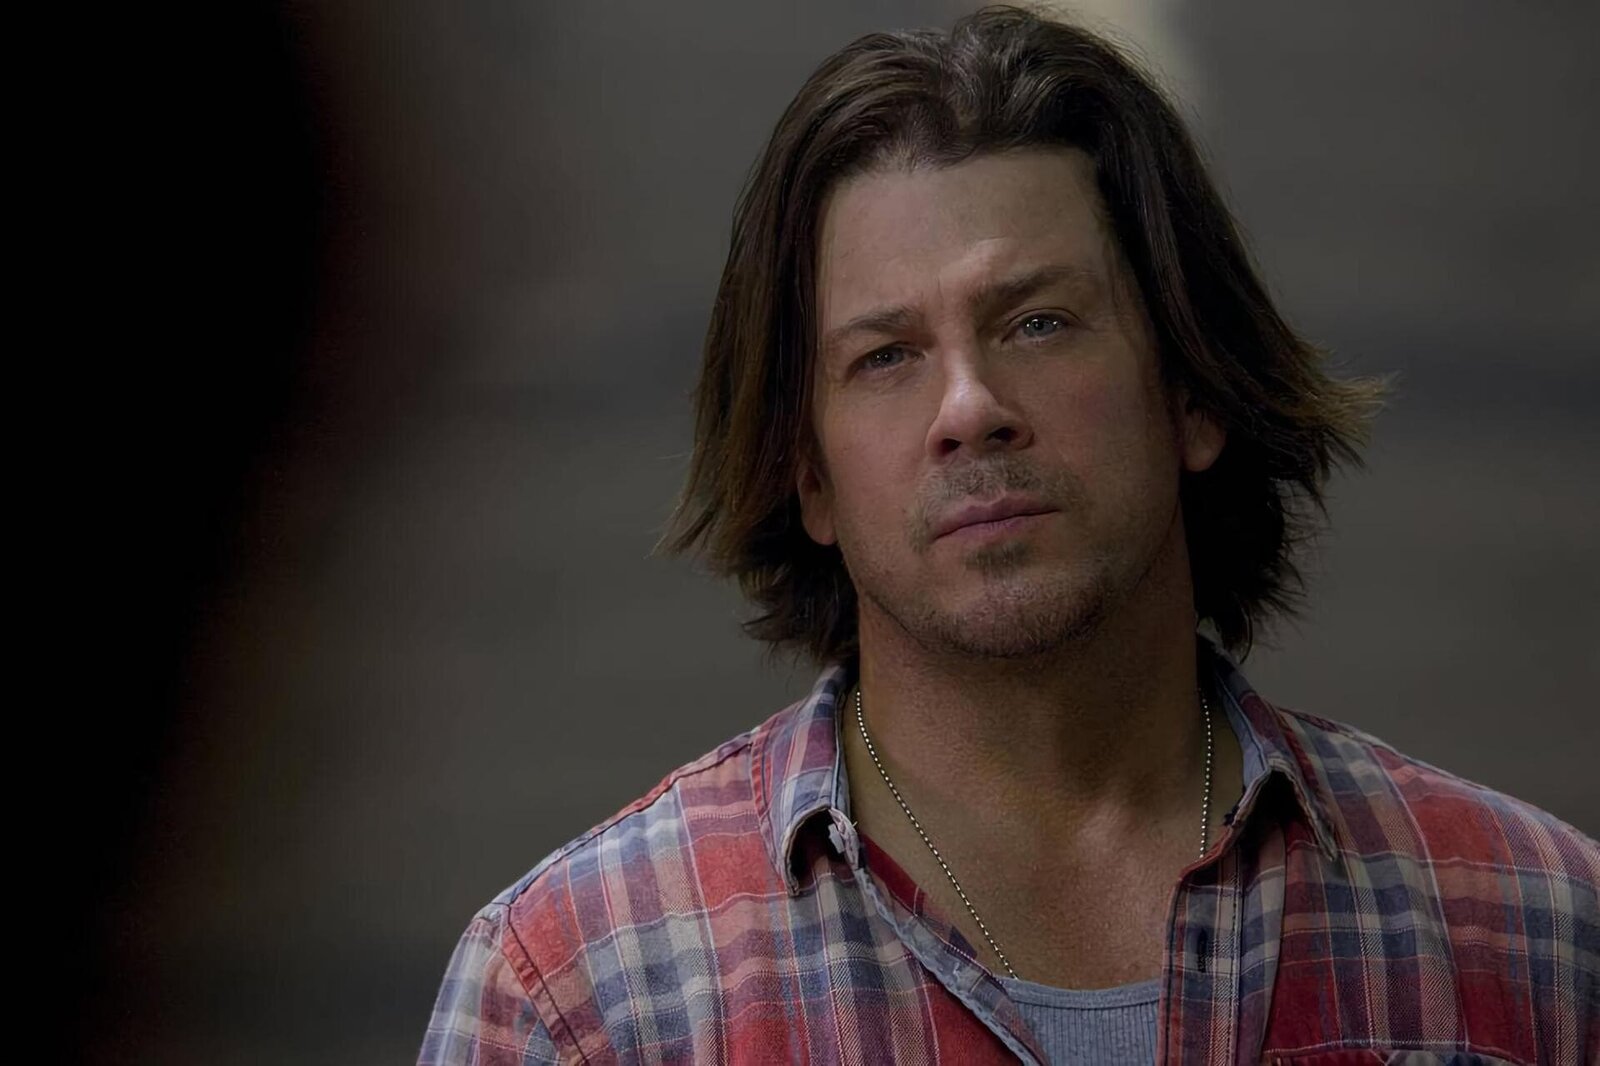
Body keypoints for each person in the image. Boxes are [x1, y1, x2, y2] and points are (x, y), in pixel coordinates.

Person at [419, 7, 1599, 1063]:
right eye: (886, 356)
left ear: (1190, 389)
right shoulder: (584, 996)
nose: (969, 406)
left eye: (1037, 322)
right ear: (808, 475)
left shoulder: (1534, 931)